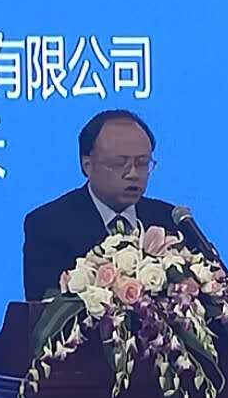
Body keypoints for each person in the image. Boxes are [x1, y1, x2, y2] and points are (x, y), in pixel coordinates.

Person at [22, 110, 178, 301]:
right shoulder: (49, 225)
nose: (133, 173)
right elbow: (44, 308)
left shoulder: (169, 219)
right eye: (119, 163)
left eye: (142, 163)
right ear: (87, 165)